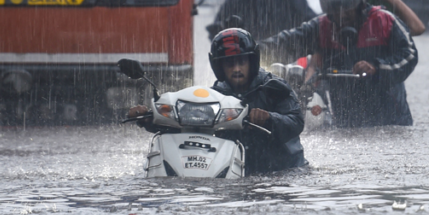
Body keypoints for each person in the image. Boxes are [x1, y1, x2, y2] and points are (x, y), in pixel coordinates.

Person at [128, 28, 307, 174]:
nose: (236, 68)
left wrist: (269, 118)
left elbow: (296, 122)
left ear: (252, 62)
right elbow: (187, 126)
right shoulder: (216, 95)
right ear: (219, 66)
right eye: (229, 63)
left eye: (241, 62)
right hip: (236, 170)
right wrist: (150, 119)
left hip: (284, 170)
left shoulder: (274, 88)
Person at [263, 0, 418, 127]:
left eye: (347, 7)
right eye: (334, 8)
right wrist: (250, 52)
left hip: (393, 122)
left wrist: (376, 67)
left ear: (360, 3)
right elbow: (285, 43)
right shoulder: (321, 27)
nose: (340, 14)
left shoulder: (384, 20)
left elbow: (410, 55)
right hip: (346, 123)